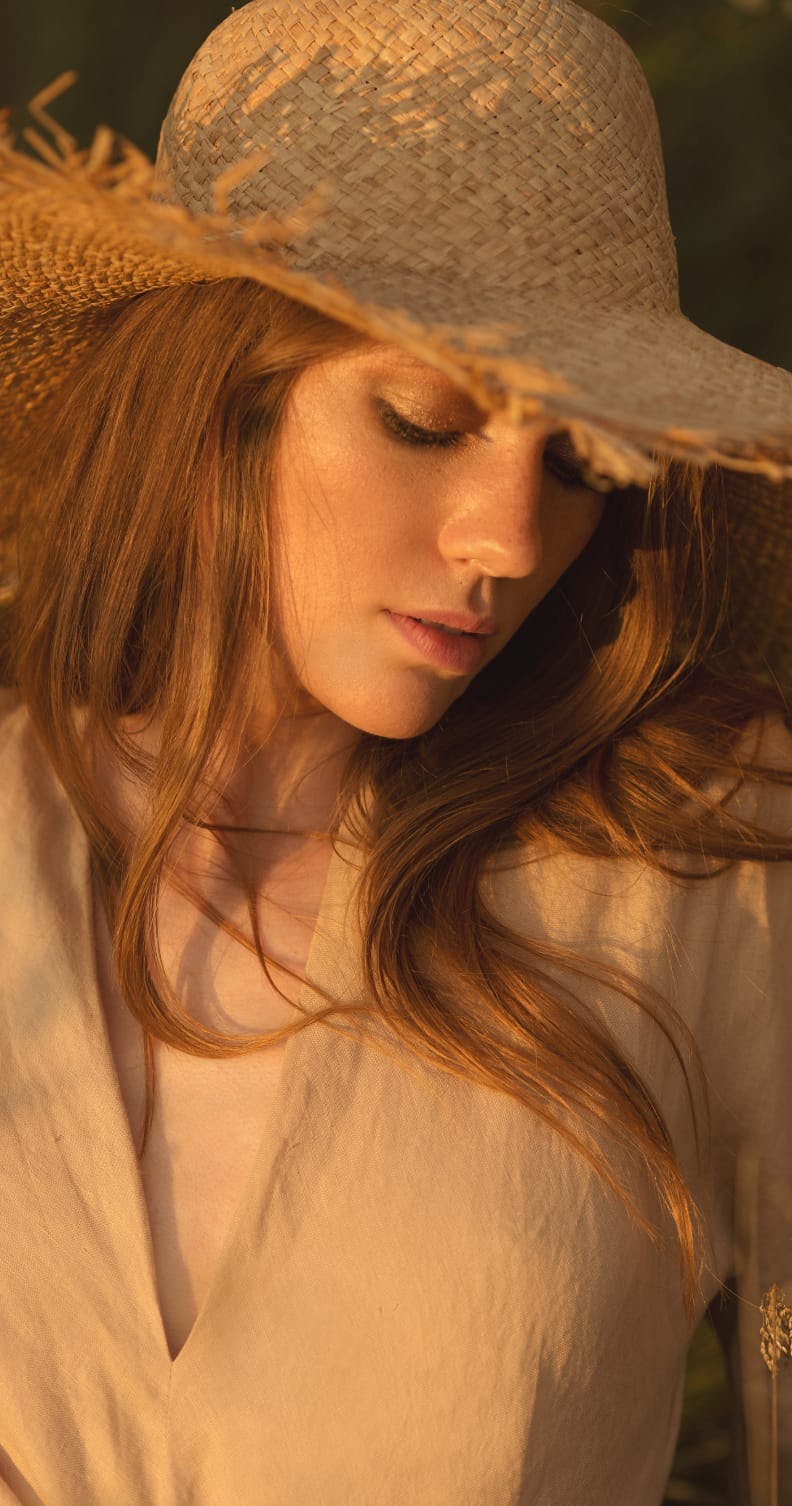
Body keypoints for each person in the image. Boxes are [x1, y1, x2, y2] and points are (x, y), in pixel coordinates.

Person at [0, 0, 790, 1502]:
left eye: (576, 462)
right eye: (427, 420)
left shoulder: (696, 860)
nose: (511, 538)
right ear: (212, 410)